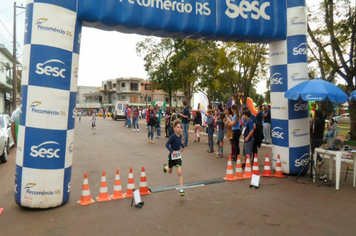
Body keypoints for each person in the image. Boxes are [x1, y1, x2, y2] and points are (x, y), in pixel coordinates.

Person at [163, 119, 185, 196]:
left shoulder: (181, 135)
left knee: (180, 172)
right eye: (178, 127)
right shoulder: (172, 137)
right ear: (174, 128)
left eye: (180, 127)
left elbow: (179, 142)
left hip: (178, 157)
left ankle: (181, 189)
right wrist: (172, 151)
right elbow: (167, 145)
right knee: (169, 171)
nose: (179, 129)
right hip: (172, 157)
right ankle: (165, 167)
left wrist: (182, 146)